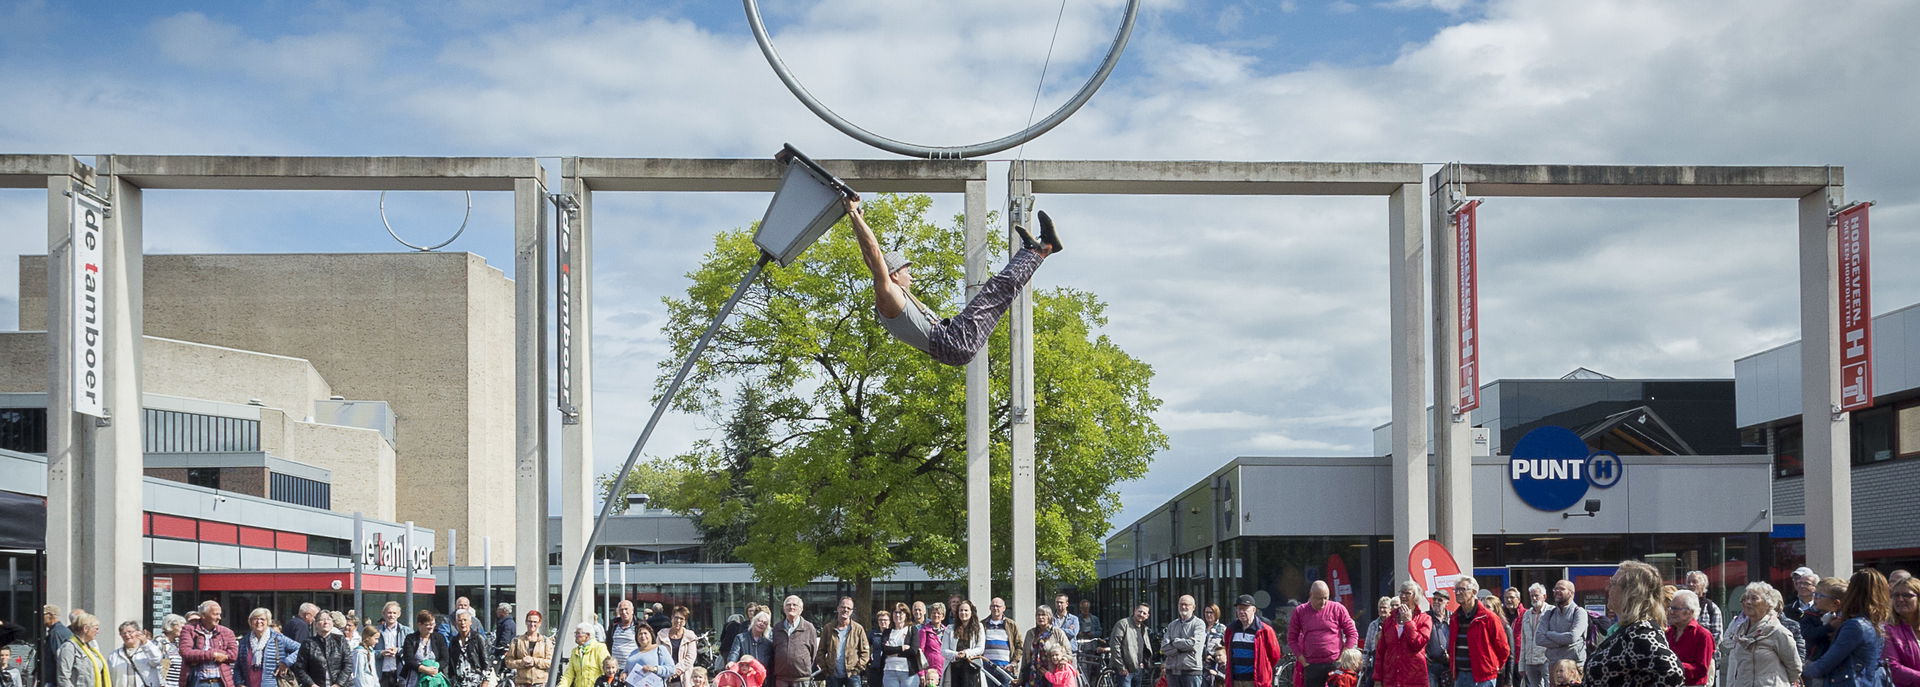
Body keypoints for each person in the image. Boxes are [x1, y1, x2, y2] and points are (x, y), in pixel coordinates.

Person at [845, 197, 1063, 367]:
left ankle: (1034, 251)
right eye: (906, 271)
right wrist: (852, 212)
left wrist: (858, 219)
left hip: (951, 343)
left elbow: (871, 259)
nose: (911, 276)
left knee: (996, 295)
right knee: (995, 291)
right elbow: (874, 254)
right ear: (893, 275)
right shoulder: (888, 295)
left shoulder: (891, 292)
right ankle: (1041, 250)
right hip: (952, 341)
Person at [1583, 561, 1683, 687]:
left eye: (1613, 583)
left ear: (1631, 593)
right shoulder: (1628, 630)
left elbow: (1673, 672)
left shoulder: (1642, 633)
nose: (1607, 588)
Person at [1802, 569, 1890, 687]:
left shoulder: (1856, 626)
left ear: (1853, 591)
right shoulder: (1876, 623)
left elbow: (1825, 664)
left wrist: (1800, 669)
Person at [1718, 581, 1799, 687]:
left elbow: (1794, 668)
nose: (1747, 602)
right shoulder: (1739, 631)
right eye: (1745, 598)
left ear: (1768, 603)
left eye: (1754, 598)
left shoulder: (1778, 632)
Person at [1292, 582, 1361, 687]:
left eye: (1326, 598)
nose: (1323, 602)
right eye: (1319, 598)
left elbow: (1352, 633)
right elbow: (1292, 638)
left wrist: (1342, 658)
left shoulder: (1338, 608)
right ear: (1311, 595)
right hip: (1311, 664)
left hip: (1335, 663)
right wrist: (1302, 660)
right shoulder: (1300, 611)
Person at [1445, 580, 1509, 687]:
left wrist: (1492, 667)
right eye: (1456, 589)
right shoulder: (1454, 618)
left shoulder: (1488, 617)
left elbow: (1503, 648)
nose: (1457, 593)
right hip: (1460, 675)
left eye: (1462, 589)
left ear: (1474, 592)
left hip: (1483, 677)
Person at [1374, 582, 1432, 687]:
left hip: (1414, 678)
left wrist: (1408, 622)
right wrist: (1378, 678)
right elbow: (1381, 651)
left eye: (1407, 593)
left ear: (1415, 596)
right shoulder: (1390, 619)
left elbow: (1417, 644)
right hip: (1391, 678)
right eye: (1401, 592)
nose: (1403, 596)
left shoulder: (1425, 619)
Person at [1224, 595, 1283, 687]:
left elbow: (1274, 655)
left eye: (1245, 609)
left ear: (1254, 610)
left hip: (1256, 681)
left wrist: (1263, 669)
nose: (1241, 612)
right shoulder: (1231, 630)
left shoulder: (1265, 630)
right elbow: (1228, 650)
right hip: (1235, 681)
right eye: (1239, 609)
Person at [236, 609, 303, 687]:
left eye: (262, 619)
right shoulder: (244, 641)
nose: (259, 621)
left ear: (268, 622)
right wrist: (239, 683)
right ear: (250, 622)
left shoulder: (278, 638)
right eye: (255, 619)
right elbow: (238, 667)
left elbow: (301, 649)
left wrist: (286, 662)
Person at [179, 602, 239, 687]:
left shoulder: (227, 632)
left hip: (220, 682)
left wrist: (202, 653)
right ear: (203, 615)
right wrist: (213, 655)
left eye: (220, 614)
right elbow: (186, 652)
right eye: (215, 614)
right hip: (197, 682)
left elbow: (233, 655)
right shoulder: (189, 629)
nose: (219, 618)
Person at [816, 597, 869, 687]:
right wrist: (825, 669)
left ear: (852, 611)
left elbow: (865, 651)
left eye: (849, 608)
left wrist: (858, 668)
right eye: (843, 607)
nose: (845, 610)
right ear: (838, 608)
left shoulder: (858, 629)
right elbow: (821, 651)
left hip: (852, 674)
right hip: (832, 674)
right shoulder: (828, 628)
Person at [1664, 592, 1714, 687]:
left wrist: (1673, 666)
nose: (1671, 612)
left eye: (1675, 609)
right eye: (1670, 608)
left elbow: (1701, 669)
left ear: (1690, 612)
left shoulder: (1703, 635)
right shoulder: (1668, 633)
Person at [1536, 582, 1586, 671]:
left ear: (1571, 593)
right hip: (1553, 665)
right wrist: (1563, 642)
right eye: (1555, 589)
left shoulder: (1579, 612)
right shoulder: (1549, 613)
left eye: (1561, 589)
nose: (1557, 591)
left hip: (1574, 665)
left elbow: (1572, 637)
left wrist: (1549, 634)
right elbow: (1539, 639)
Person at [295, 611, 352, 687]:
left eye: (328, 619)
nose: (326, 622)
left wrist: (338, 684)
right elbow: (300, 668)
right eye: (322, 619)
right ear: (316, 624)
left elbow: (348, 664)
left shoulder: (340, 640)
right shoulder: (308, 643)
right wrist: (312, 684)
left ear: (332, 623)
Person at [1802, 577, 1849, 669]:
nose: (1815, 598)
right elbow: (1807, 634)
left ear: (1836, 603)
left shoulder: (1847, 618)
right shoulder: (1810, 615)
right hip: (1815, 661)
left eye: (1820, 596)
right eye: (1815, 594)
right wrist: (1829, 627)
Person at [770, 596, 817, 687]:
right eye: (788, 605)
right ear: (784, 609)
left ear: (801, 609)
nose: (791, 607)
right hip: (781, 678)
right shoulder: (777, 628)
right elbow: (773, 651)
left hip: (801, 679)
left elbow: (813, 653)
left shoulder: (809, 628)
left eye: (795, 605)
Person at [1166, 596, 1209, 687]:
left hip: (1191, 671)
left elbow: (1193, 644)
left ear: (1193, 607)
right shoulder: (1171, 625)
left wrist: (1174, 642)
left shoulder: (1199, 624)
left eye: (1186, 604)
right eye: (1181, 604)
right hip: (1172, 672)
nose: (1183, 607)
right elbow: (1164, 647)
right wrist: (1182, 647)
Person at [1020, 608, 1069, 687]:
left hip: (1051, 676)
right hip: (1032, 676)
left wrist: (1063, 660)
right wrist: (1021, 678)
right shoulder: (1030, 633)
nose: (1040, 617)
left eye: (1043, 615)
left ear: (1049, 617)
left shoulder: (1057, 632)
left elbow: (1068, 653)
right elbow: (1025, 658)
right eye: (1038, 615)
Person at [57, 613, 109, 687]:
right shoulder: (69, 647)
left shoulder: (91, 648)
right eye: (96, 628)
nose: (98, 632)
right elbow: (63, 677)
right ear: (86, 629)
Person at [108, 621, 165, 687]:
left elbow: (156, 660)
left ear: (138, 632)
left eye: (130, 632)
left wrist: (146, 643)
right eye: (123, 633)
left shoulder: (147, 650)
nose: (127, 635)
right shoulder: (114, 655)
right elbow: (109, 676)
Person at [444, 610, 493, 687]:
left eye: (465, 620)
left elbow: (486, 661)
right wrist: (451, 680)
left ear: (470, 622)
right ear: (456, 623)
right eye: (459, 620)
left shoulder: (478, 638)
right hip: (459, 683)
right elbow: (451, 664)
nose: (462, 623)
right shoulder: (454, 641)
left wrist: (485, 682)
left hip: (476, 682)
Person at [504, 612, 552, 687]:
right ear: (526, 622)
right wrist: (522, 662)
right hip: (521, 682)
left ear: (539, 623)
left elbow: (550, 662)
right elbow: (508, 662)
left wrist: (534, 661)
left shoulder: (546, 641)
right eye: (530, 621)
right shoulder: (517, 641)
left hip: (541, 683)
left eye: (535, 622)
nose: (532, 624)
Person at [402, 613, 451, 687]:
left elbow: (445, 659)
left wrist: (435, 668)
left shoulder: (439, 637)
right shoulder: (410, 639)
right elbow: (408, 660)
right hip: (415, 677)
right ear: (419, 624)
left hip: (435, 676)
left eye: (433, 624)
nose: (431, 627)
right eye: (428, 624)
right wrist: (424, 669)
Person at [1887, 576, 1919, 687]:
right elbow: (1892, 668)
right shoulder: (1887, 630)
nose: (1900, 599)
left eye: (1907, 595)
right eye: (1895, 595)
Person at [946, 601, 986, 687]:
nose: (963, 613)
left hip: (972, 670)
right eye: (961, 610)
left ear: (971, 612)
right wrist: (956, 654)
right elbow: (943, 650)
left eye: (966, 610)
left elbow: (980, 648)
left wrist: (966, 653)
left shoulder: (979, 627)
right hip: (955, 670)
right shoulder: (950, 628)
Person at [879, 604, 921, 687]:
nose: (897, 615)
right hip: (889, 671)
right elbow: (885, 650)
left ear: (906, 615)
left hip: (908, 672)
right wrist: (901, 648)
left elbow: (913, 651)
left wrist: (893, 652)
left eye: (901, 613)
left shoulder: (912, 630)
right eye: (895, 612)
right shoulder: (887, 632)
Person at [981, 600, 1021, 681]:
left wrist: (1013, 663)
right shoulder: (982, 624)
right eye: (993, 606)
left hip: (1005, 669)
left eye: (998, 606)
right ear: (989, 607)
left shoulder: (1011, 625)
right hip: (986, 669)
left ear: (1004, 608)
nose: (995, 608)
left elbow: (1019, 646)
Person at [1516, 586, 1547, 687]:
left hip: (1546, 659)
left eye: (1537, 596)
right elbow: (1524, 640)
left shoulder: (1551, 612)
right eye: (1532, 596)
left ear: (1544, 596)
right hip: (1530, 661)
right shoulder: (1527, 614)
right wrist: (1521, 665)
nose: (1534, 598)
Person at [374, 604, 409, 687]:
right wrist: (381, 653)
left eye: (394, 613)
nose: (391, 615)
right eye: (389, 613)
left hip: (400, 672)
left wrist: (398, 651)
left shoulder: (406, 631)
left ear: (399, 614)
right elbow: (368, 651)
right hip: (381, 673)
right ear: (383, 614)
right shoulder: (375, 630)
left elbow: (412, 651)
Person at [661, 609, 698, 687]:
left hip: (683, 679)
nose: (678, 621)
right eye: (676, 617)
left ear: (685, 621)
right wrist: (667, 671)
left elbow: (690, 658)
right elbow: (657, 655)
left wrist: (675, 670)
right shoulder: (661, 635)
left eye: (681, 618)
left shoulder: (690, 636)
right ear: (672, 618)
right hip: (665, 678)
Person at [44, 605, 78, 687]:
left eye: (43, 615)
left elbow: (59, 659)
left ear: (50, 615)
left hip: (54, 680)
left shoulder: (56, 633)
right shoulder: (61, 630)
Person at [1682, 574, 1722, 643]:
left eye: (1694, 582)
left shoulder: (1712, 608)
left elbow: (1717, 637)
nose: (1691, 584)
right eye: (1688, 582)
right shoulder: (1680, 606)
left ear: (1703, 585)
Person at [1364, 597, 1393, 687]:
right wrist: (1364, 662)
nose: (1381, 610)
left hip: (1389, 660)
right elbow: (1367, 646)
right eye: (1380, 607)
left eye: (1384, 607)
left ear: (1390, 609)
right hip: (1375, 660)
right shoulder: (1373, 625)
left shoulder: (1394, 624)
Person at [1426, 591, 1452, 687]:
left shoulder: (1452, 618)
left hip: (1448, 665)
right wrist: (1423, 653)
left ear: (1447, 603)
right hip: (1431, 665)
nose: (1436, 602)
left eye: (1440, 600)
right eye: (1434, 599)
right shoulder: (1426, 617)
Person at [156, 615, 190, 687]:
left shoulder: (177, 643)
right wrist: (162, 684)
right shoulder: (159, 642)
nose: (182, 630)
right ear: (170, 626)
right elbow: (156, 666)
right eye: (181, 627)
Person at [611, 604, 643, 668]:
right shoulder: (614, 625)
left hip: (632, 667)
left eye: (626, 609)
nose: (624, 612)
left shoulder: (639, 625)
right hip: (615, 668)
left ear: (632, 611)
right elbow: (609, 642)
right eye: (621, 610)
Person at [1204, 604, 1229, 687]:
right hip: (1202, 664)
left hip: (1216, 664)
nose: (1208, 615)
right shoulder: (1201, 628)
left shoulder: (1222, 628)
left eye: (1211, 612)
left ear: (1216, 613)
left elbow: (1227, 646)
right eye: (1206, 612)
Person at [867, 611, 893, 687]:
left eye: (885, 620)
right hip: (876, 668)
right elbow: (865, 647)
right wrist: (869, 660)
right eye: (880, 620)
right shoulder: (873, 634)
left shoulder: (893, 633)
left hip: (890, 668)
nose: (883, 622)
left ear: (889, 621)